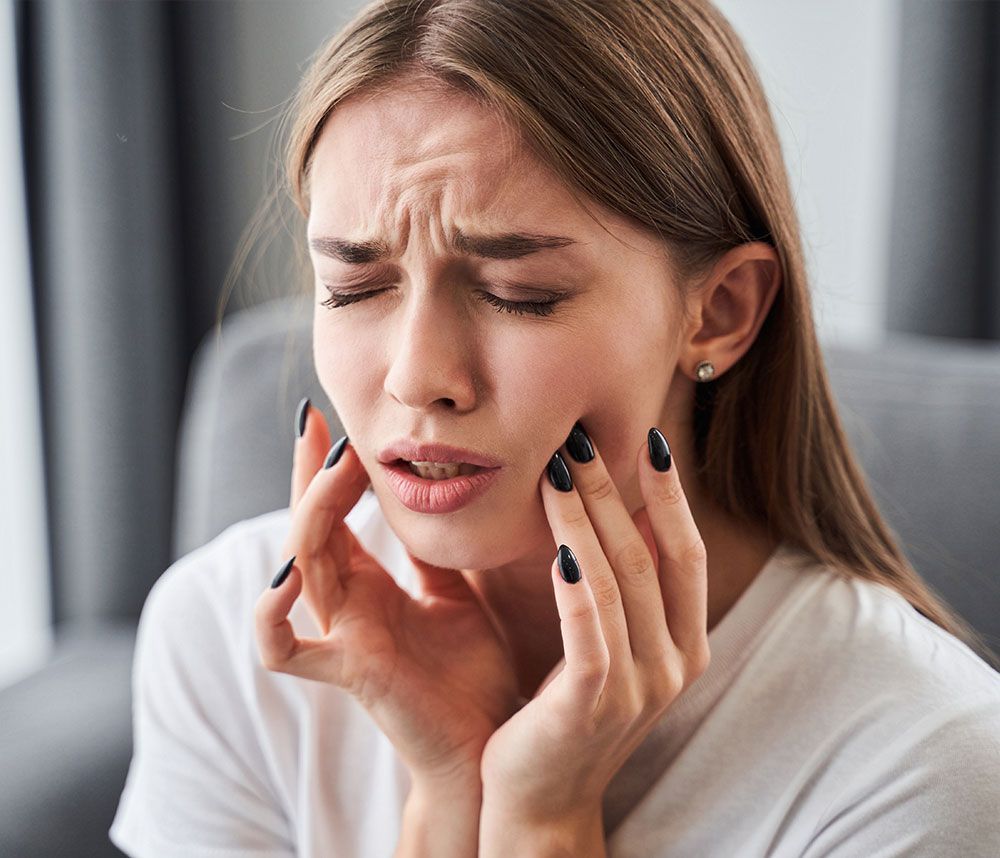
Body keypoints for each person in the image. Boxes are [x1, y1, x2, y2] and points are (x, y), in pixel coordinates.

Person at [109, 0, 1000, 856]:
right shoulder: (227, 633)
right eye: (354, 288)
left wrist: (544, 822)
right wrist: (448, 790)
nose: (417, 376)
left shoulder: (926, 766)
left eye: (518, 295)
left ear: (720, 312)